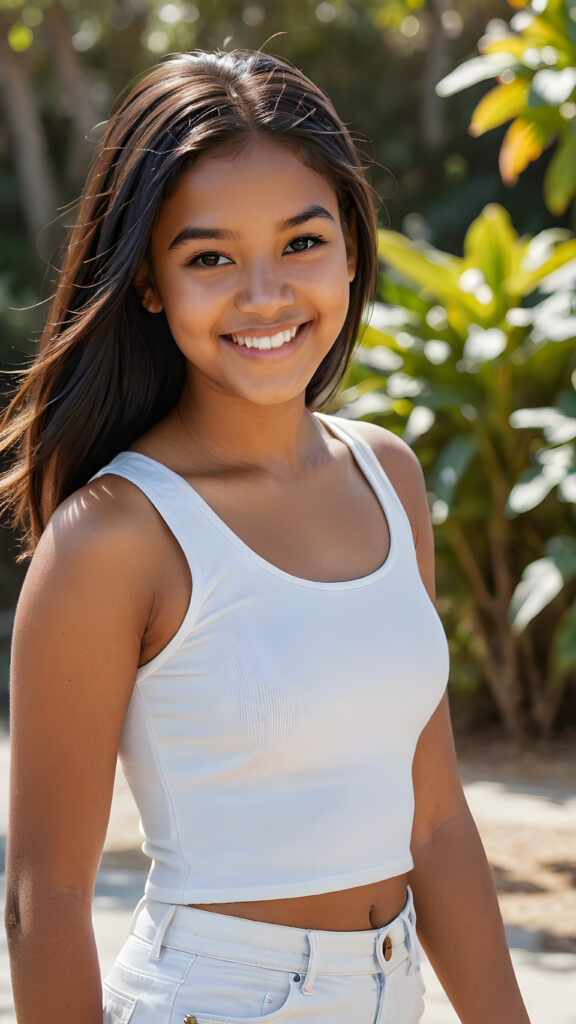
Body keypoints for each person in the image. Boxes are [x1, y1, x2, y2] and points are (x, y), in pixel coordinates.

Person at [1, 49, 530, 1024]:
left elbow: (439, 822)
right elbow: (45, 903)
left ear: (352, 247)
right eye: (209, 257)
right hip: (215, 996)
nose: (265, 295)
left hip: (391, 987)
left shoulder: (388, 476)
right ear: (150, 281)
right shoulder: (114, 537)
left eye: (301, 242)